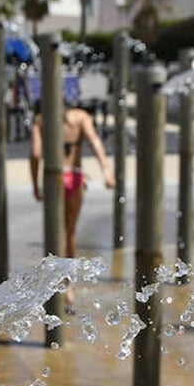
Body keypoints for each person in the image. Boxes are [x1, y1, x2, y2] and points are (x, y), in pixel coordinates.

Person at [29, 98, 116, 264]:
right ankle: (69, 276)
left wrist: (35, 186)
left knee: (55, 231)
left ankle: (54, 273)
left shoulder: (41, 120)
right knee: (70, 230)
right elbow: (94, 141)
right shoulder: (81, 117)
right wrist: (106, 172)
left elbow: (35, 154)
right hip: (75, 176)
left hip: (53, 179)